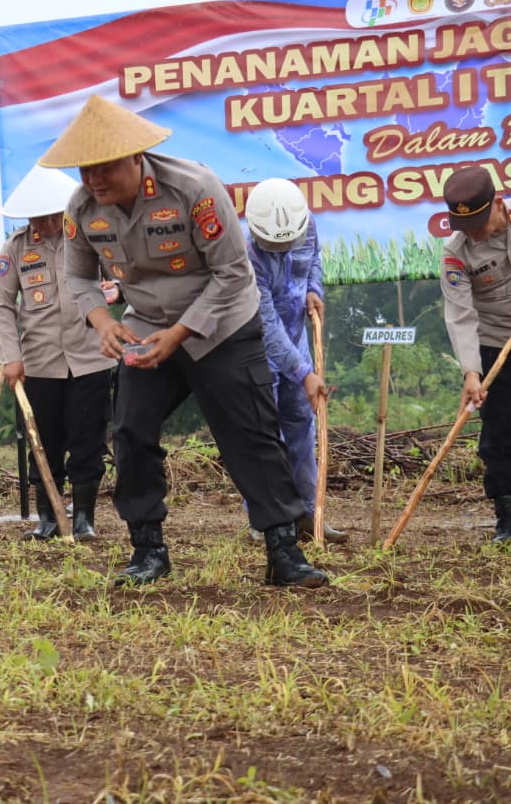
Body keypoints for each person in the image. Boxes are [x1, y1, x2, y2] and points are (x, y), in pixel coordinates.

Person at [39, 94, 327, 588]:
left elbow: (234, 274)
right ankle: (147, 549)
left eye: (105, 168)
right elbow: (78, 278)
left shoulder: (194, 187)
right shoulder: (83, 209)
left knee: (251, 432)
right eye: (85, 170)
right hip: (148, 327)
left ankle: (284, 550)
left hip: (223, 326)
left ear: (136, 156)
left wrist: (182, 333)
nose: (94, 181)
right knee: (129, 430)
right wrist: (103, 324)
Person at [0, 164, 114, 541]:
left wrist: (116, 294)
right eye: (34, 216)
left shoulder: (91, 238)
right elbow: (1, 301)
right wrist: (11, 356)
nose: (41, 223)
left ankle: (84, 519)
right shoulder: (16, 248)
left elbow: (119, 280)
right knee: (43, 440)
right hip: (40, 363)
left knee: (87, 440)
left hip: (91, 357)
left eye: (47, 216)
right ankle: (48, 516)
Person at [439, 166, 511, 549]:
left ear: (499, 204)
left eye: (477, 222)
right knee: (501, 428)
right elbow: (460, 313)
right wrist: (471, 371)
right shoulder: (455, 252)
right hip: (496, 341)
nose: (472, 232)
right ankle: (509, 515)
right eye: (464, 225)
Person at [242, 178, 347, 544]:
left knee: (302, 425)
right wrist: (304, 373)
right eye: (275, 244)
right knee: (265, 434)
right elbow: (266, 325)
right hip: (258, 349)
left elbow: (313, 259)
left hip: (298, 340)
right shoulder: (248, 257)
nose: (284, 248)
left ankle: (306, 513)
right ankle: (267, 520)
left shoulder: (308, 224)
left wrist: (314, 289)